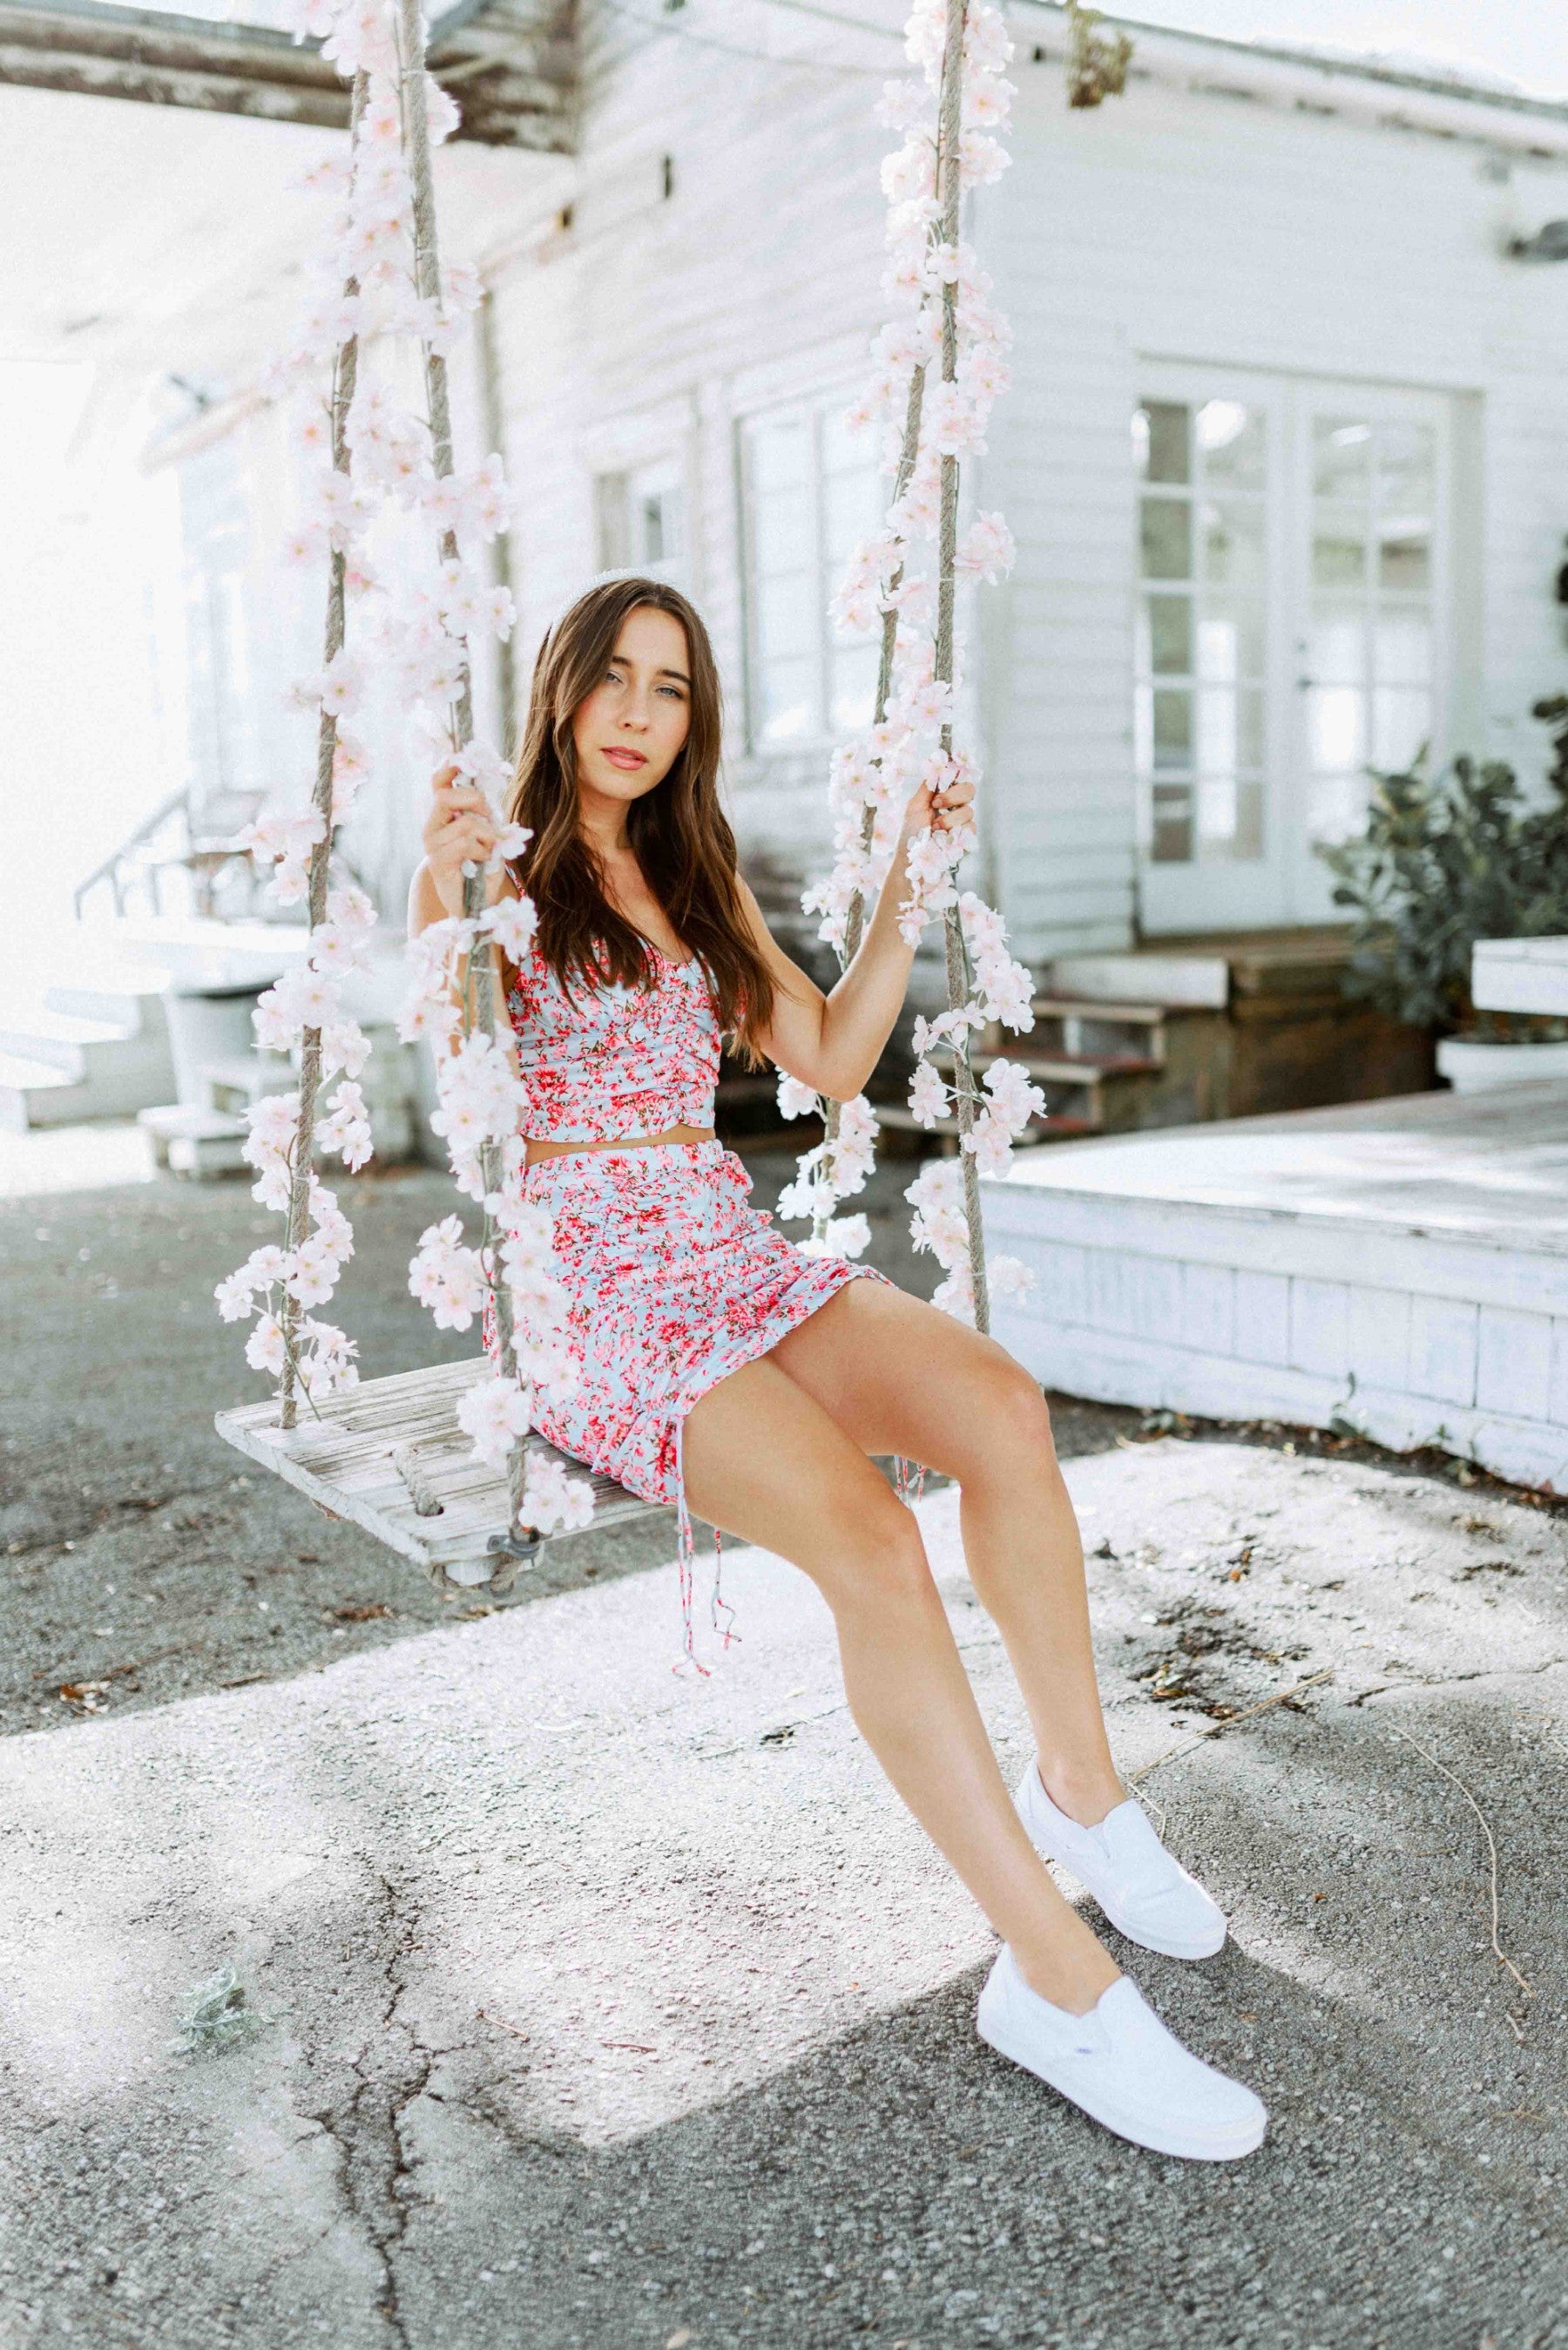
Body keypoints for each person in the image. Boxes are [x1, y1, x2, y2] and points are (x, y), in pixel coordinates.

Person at [408, 574, 1267, 2163]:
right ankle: (1057, 1982)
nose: (641, 713)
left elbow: (832, 1058)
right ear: (561, 690)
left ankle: (1084, 1785)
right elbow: (455, 1089)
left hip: (725, 1247)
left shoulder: (692, 875)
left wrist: (899, 891)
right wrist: (431, 894)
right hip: (599, 1292)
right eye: (616, 678)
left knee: (1002, 1410)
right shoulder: (503, 880)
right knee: (874, 1541)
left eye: (673, 688)